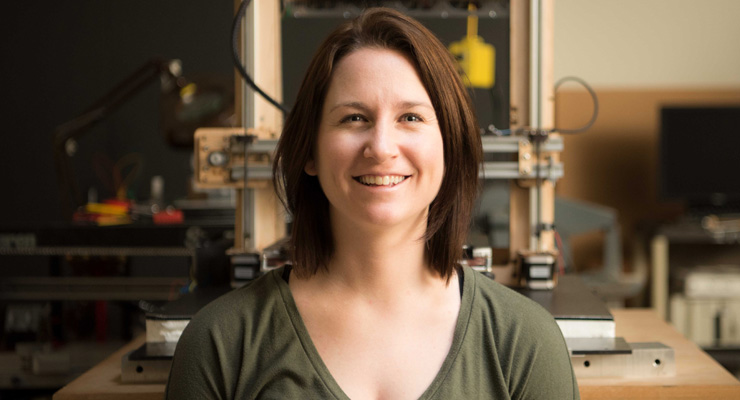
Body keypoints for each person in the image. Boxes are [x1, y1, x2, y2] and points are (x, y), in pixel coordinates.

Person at [166, 7, 579, 400]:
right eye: (354, 118)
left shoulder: (526, 343)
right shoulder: (219, 343)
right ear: (309, 151)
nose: (381, 147)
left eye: (411, 118)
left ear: (449, 148)